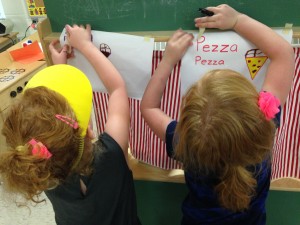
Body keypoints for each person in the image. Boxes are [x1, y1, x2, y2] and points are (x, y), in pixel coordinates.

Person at [140, 4, 294, 225]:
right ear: (254, 106)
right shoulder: (263, 125)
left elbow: (148, 108)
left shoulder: (184, 141)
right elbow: (284, 54)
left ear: (186, 124)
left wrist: (168, 60)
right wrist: (237, 20)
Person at [0, 24, 141, 225]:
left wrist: (60, 68)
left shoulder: (44, 172)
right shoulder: (112, 155)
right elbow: (117, 88)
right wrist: (85, 45)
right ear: (89, 131)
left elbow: (50, 128)